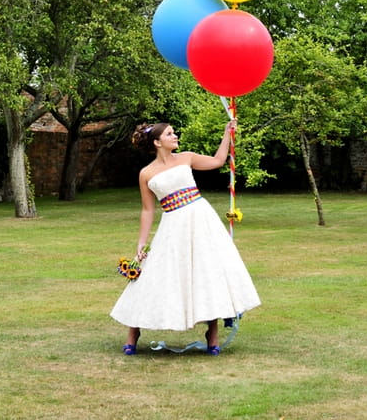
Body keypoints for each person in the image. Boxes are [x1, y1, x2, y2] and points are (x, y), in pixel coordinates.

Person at [110, 120, 260, 355]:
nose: (175, 135)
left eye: (174, 132)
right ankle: (134, 331)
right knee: (156, 274)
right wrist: (141, 242)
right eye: (170, 134)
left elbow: (218, 161)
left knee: (207, 270)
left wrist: (227, 134)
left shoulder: (186, 157)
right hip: (172, 223)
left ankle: (212, 332)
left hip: (201, 219)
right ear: (157, 142)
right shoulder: (146, 173)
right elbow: (148, 210)